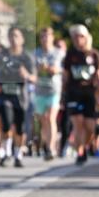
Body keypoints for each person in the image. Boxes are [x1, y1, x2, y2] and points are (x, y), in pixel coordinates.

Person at [0, 26, 36, 168]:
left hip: (20, 96)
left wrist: (26, 75)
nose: (13, 39)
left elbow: (34, 77)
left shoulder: (26, 57)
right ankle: (7, 151)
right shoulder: (1, 56)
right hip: (4, 95)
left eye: (16, 36)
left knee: (20, 127)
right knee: (6, 122)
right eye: (11, 36)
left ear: (22, 39)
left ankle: (18, 153)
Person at [62, 24, 99, 165]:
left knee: (90, 126)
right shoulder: (71, 55)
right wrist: (63, 94)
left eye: (81, 36)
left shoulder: (94, 55)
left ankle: (84, 146)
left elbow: (98, 76)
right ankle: (80, 152)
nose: (79, 39)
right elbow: (65, 76)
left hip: (89, 93)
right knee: (78, 123)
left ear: (86, 38)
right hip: (74, 92)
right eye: (76, 37)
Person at [33, 26, 64, 161]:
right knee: (43, 120)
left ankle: (51, 148)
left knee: (51, 117)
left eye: (47, 36)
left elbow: (62, 69)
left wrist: (51, 69)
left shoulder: (59, 53)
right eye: (42, 36)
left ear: (52, 37)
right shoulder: (35, 53)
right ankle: (46, 145)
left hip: (53, 90)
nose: (45, 39)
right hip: (39, 91)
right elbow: (31, 71)